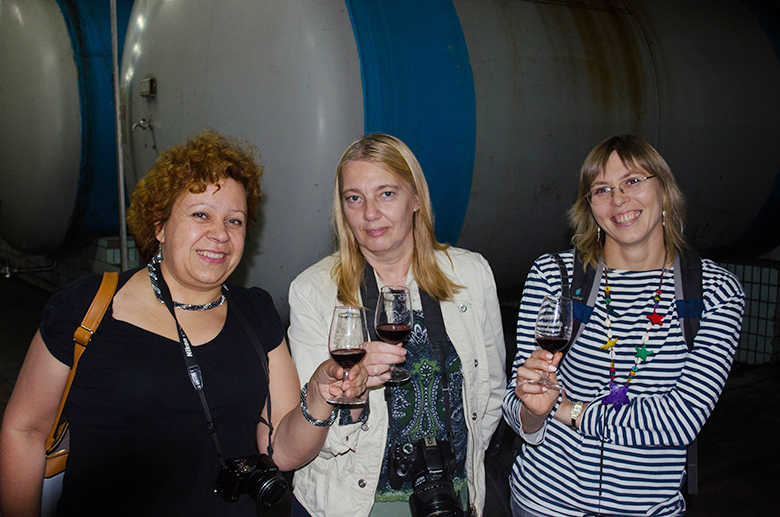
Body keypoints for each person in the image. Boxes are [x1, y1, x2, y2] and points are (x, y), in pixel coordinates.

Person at [0, 130, 366, 517]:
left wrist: (319, 397)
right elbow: (24, 431)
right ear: (159, 225)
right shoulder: (88, 306)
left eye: (234, 221)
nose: (220, 234)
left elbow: (283, 453)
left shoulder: (256, 313)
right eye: (200, 214)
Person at [503, 135, 745, 517]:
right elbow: (517, 398)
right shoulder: (554, 276)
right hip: (542, 504)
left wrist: (569, 411)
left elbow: (681, 421)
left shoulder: (714, 290)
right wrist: (534, 412)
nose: (618, 200)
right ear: (590, 207)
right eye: (602, 190)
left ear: (664, 190)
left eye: (632, 181)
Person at [287, 133, 506, 517]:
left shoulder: (471, 274)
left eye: (386, 194)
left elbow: (490, 392)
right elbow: (314, 433)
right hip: (354, 503)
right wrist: (353, 393)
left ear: (416, 199)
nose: (370, 213)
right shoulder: (313, 292)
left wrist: (461, 465)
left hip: (451, 495)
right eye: (354, 198)